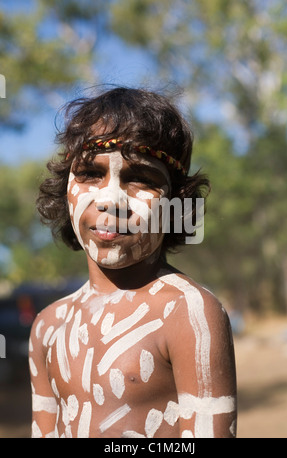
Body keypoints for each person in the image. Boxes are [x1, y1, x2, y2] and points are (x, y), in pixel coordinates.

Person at [29, 86, 237, 438]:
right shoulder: (48, 326)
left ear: (176, 204)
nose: (110, 199)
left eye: (140, 178)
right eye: (90, 174)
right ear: (64, 192)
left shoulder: (188, 313)